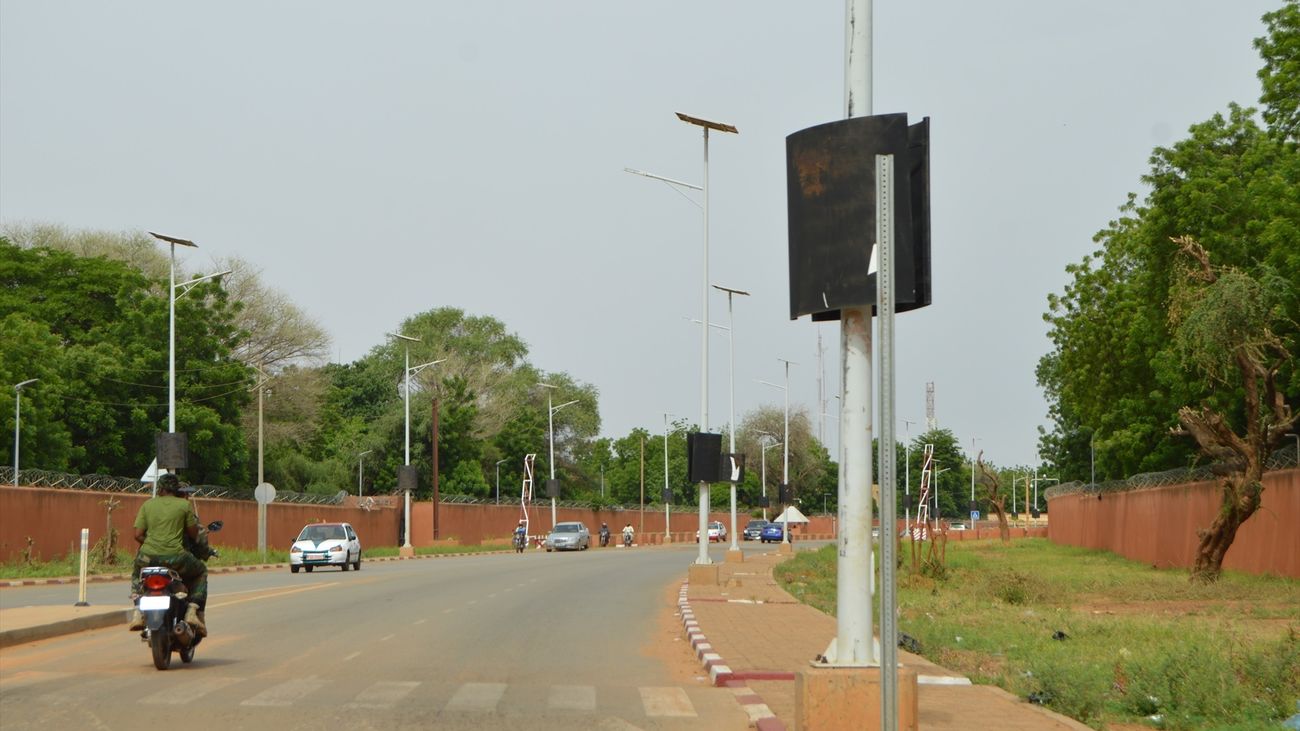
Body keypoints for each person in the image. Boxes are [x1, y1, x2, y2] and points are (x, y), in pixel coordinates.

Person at [127, 473, 207, 634]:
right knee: (201, 572)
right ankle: (192, 610)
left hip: (147, 557)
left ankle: (137, 610)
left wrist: (152, 544)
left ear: (160, 489)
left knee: (137, 574)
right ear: (176, 489)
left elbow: (137, 535)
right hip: (176, 557)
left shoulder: (148, 505)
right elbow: (193, 534)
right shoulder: (184, 505)